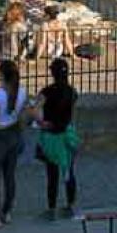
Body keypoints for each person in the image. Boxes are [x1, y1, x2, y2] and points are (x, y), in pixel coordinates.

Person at [0, 60, 34, 228]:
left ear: (2, 76)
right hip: (14, 133)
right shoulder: (22, 92)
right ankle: (7, 211)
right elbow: (24, 113)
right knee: (9, 175)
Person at [36, 57, 80, 221]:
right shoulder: (72, 92)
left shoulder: (46, 92)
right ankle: (70, 205)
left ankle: (51, 208)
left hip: (51, 136)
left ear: (52, 73)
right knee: (68, 172)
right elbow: (73, 115)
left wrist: (41, 123)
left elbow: (36, 110)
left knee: (52, 174)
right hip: (66, 135)